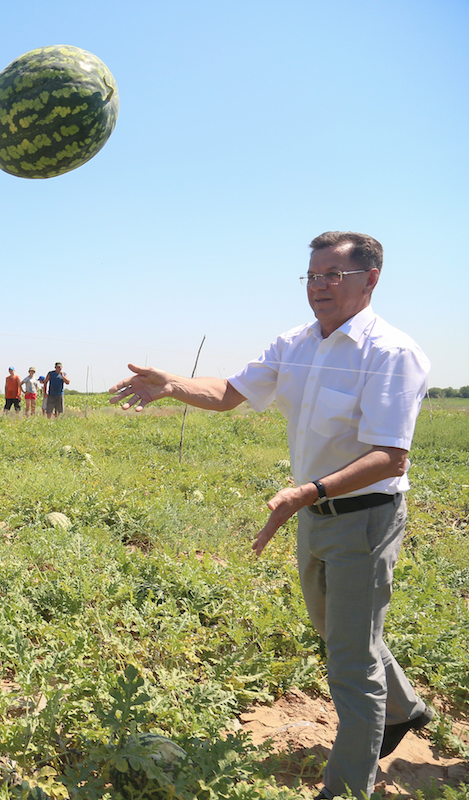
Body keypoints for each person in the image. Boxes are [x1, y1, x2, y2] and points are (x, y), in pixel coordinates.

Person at [109, 232, 431, 800]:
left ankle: (347, 788)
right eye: (311, 275)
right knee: (338, 630)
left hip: (364, 516)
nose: (319, 286)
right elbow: (231, 392)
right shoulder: (296, 342)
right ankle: (404, 711)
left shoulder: (390, 353)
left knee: (351, 663)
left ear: (370, 279)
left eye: (334, 275)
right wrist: (173, 385)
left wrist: (307, 492)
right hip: (311, 510)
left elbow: (390, 456)